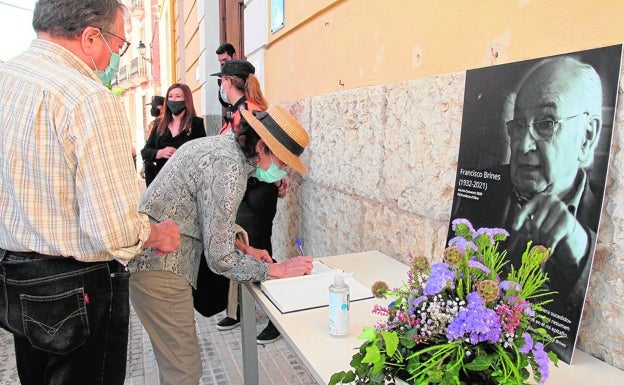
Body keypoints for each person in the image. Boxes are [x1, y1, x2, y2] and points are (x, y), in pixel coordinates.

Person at [0, 1, 181, 384]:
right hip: (74, 286)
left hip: (13, 274)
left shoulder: (6, 79)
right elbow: (114, 229)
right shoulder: (89, 99)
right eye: (118, 43)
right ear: (90, 36)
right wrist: (158, 234)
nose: (116, 55)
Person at [128, 105, 314, 385]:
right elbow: (220, 257)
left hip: (161, 263)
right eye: (282, 160)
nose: (283, 168)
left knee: (176, 367)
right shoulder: (228, 167)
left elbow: (212, 224)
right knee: (184, 372)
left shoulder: (224, 150)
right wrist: (276, 271)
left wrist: (247, 250)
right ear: (262, 146)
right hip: (160, 268)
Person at [450, 56, 604, 360]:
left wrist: (579, 246)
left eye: (546, 124)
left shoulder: (605, 219)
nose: (522, 145)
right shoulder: (476, 191)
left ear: (587, 137)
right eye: (518, 125)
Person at [209, 59, 286, 343]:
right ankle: (240, 308)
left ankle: (279, 315)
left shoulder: (252, 113)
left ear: (228, 81)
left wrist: (278, 178)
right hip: (246, 191)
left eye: (221, 81)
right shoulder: (236, 112)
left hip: (257, 192)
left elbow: (266, 156)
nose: (220, 85)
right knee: (243, 249)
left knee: (260, 250)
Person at [140, 83, 206, 187]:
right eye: (170, 96)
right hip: (160, 183)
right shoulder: (159, 124)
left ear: (186, 100)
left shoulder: (196, 124)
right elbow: (145, 151)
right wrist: (159, 153)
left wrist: (181, 155)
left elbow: (202, 154)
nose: (173, 100)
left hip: (185, 183)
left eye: (178, 96)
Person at [215, 43, 237, 108]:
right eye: (220, 61)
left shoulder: (244, 72)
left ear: (234, 56)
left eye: (225, 60)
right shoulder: (224, 75)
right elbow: (224, 102)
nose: (222, 63)